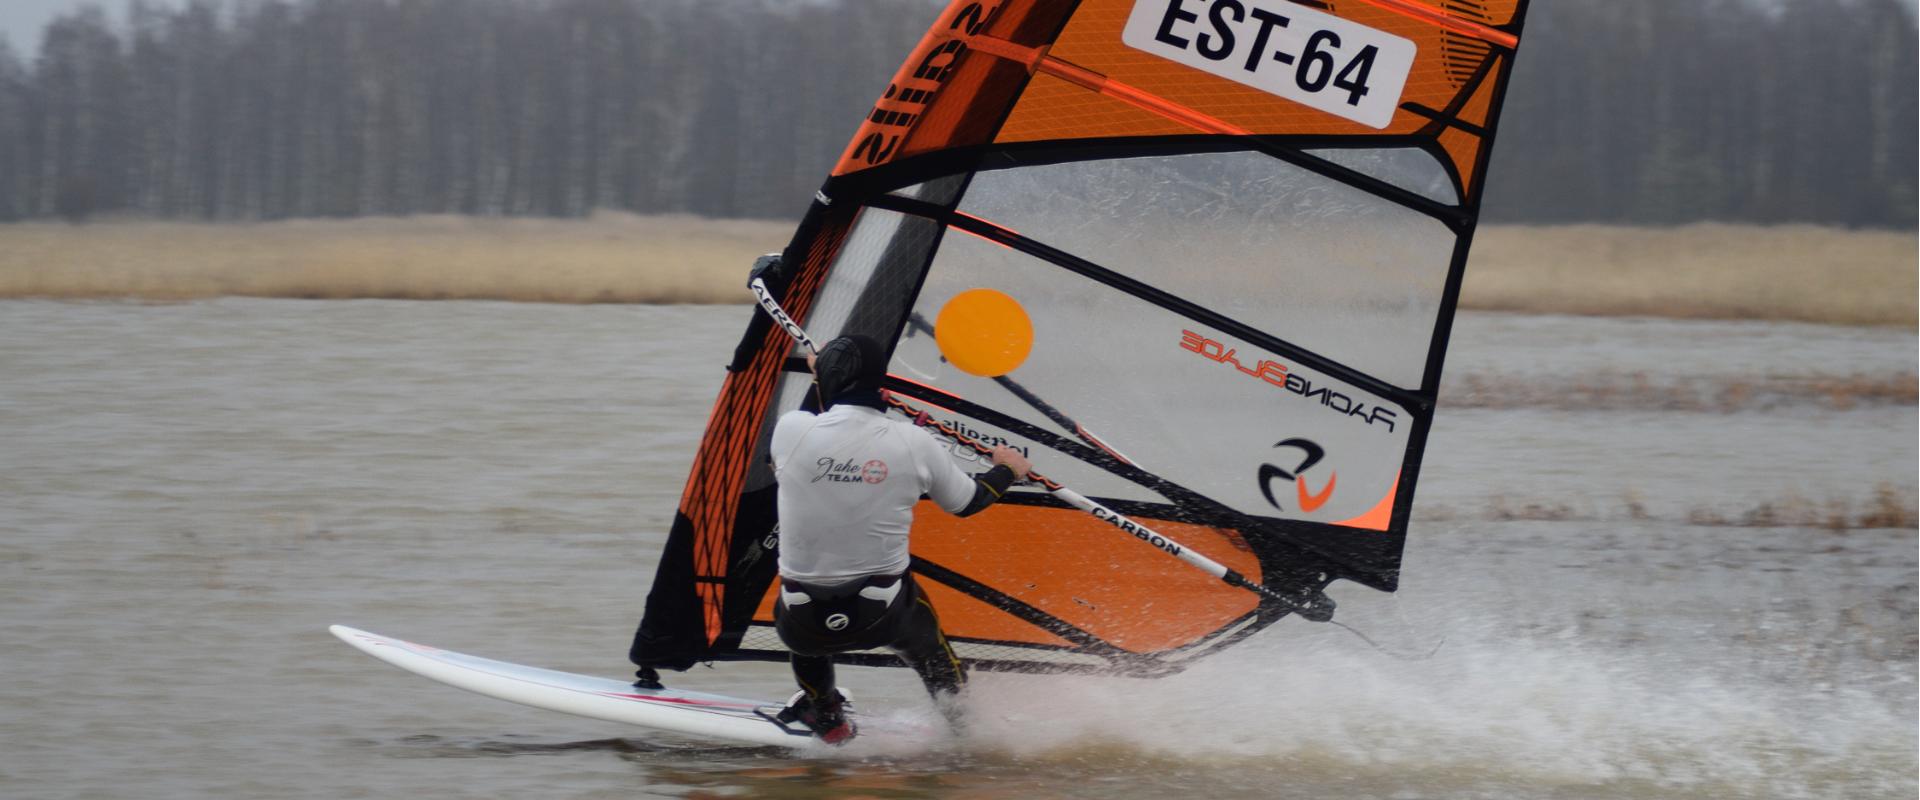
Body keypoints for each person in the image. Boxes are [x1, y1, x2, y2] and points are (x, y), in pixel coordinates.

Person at [767, 334, 1031, 744]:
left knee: (806, 634)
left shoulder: (790, 431)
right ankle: (965, 731)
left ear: (829, 381)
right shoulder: (914, 442)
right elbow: (968, 503)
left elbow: (817, 427)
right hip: (887, 612)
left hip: (803, 619)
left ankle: (826, 713)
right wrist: (1008, 470)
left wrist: (821, 377)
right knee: (933, 654)